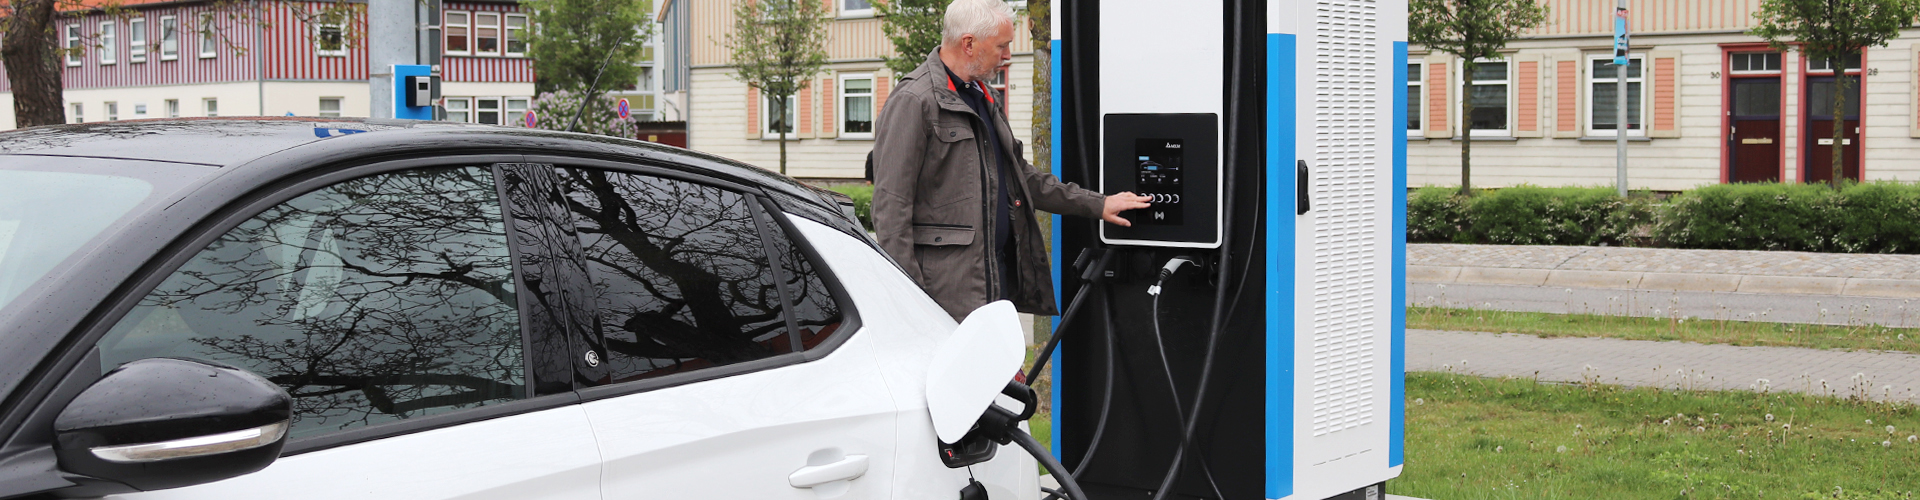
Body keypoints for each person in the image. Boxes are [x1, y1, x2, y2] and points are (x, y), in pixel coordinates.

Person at [871, 0, 1151, 321]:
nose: (1007, 56)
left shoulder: (983, 98)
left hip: (993, 287)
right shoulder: (913, 101)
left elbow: (1023, 177)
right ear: (969, 44)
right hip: (942, 300)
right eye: (1002, 46)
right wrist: (911, 302)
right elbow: (890, 212)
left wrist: (1098, 205)